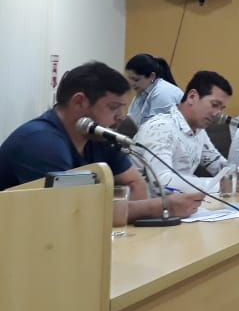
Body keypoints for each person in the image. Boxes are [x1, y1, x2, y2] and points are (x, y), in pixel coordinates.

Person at [0, 61, 202, 219]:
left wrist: (127, 218)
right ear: (79, 102)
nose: (121, 117)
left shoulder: (98, 136)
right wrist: (159, 207)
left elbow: (135, 184)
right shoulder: (41, 142)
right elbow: (72, 213)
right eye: (113, 107)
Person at [134, 70, 239, 194]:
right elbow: (162, 183)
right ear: (192, 97)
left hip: (180, 204)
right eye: (214, 105)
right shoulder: (160, 128)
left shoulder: (198, 130)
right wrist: (221, 185)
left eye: (222, 108)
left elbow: (218, 165)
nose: (218, 114)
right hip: (147, 206)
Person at [125, 53, 183, 126]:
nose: (132, 84)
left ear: (152, 76)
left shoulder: (163, 93)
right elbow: (131, 122)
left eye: (136, 79)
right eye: (129, 79)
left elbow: (158, 128)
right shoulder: (141, 93)